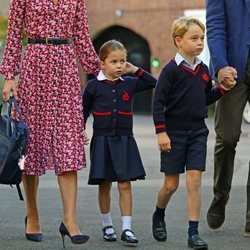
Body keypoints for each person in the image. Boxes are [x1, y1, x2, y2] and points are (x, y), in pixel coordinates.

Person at [0, 0, 100, 247]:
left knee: (68, 143)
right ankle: (32, 215)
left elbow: (81, 36)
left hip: (65, 69)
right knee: (30, 146)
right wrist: (9, 76)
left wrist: (101, 72)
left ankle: (70, 220)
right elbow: (13, 34)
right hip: (34, 67)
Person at [151, 16, 235, 250]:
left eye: (202, 38)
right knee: (171, 185)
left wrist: (222, 90)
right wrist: (161, 132)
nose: (200, 42)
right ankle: (159, 214)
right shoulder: (169, 70)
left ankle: (193, 233)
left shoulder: (204, 69)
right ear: (179, 40)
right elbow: (158, 104)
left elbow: (205, 98)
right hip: (173, 133)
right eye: (194, 38)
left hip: (198, 131)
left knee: (195, 180)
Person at [83, 40, 156, 246]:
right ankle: (107, 224)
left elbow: (153, 83)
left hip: (124, 140)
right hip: (102, 140)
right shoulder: (92, 86)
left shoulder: (130, 83)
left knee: (125, 183)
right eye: (114, 61)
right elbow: (84, 110)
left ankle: (127, 228)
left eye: (122, 61)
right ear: (102, 63)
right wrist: (80, 129)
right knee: (104, 183)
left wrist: (135, 69)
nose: (119, 65)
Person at [206, 0, 250, 237]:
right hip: (233, 67)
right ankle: (220, 194)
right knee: (227, 137)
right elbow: (215, 26)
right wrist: (220, 66)